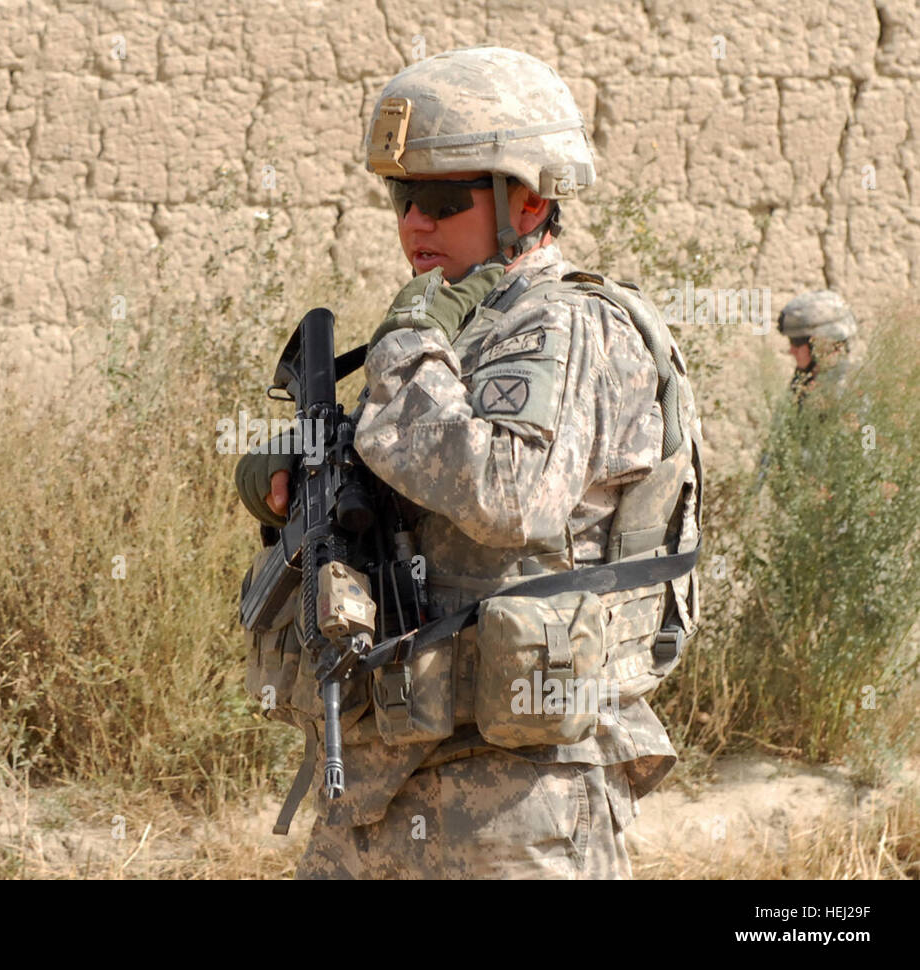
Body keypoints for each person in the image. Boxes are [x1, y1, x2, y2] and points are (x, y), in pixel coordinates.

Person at [236, 46, 702, 879]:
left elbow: (507, 492)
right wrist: (302, 476)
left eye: (443, 199)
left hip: (517, 797)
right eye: (401, 196)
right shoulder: (468, 323)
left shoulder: (565, 325)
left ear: (527, 201)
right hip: (386, 776)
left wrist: (407, 341)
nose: (414, 223)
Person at [776, 290, 859, 397]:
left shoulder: (849, 391)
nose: (792, 351)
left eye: (797, 342)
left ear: (825, 344)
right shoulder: (804, 385)